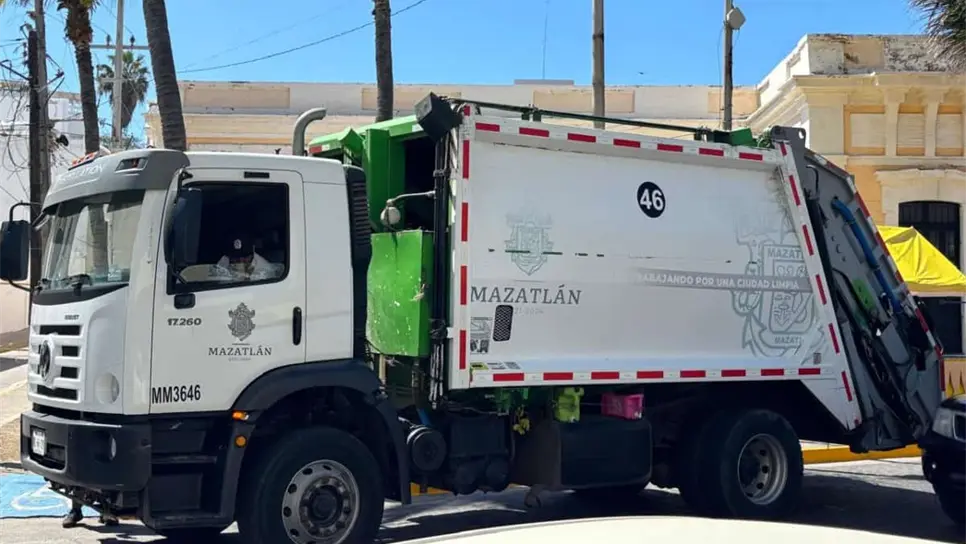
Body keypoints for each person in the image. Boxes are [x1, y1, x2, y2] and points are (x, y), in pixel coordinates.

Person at [211, 236, 282, 282]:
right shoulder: (225, 260)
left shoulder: (265, 269)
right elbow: (217, 280)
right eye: (236, 258)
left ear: (252, 253)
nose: (240, 261)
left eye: (245, 257)